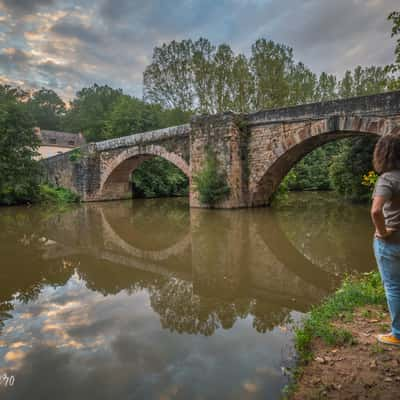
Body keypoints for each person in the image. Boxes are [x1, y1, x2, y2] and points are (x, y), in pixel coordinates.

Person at [371, 134, 400, 346]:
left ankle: (397, 334)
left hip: (392, 241)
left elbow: (375, 211)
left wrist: (382, 232)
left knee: (393, 287)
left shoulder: (388, 179)